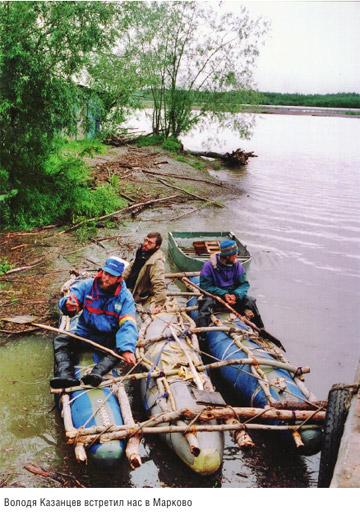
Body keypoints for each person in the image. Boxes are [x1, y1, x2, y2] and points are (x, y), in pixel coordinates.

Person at [50, 256, 138, 389]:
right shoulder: (88, 285)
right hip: (86, 333)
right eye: (105, 273)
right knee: (60, 340)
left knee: (120, 349)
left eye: (111, 276)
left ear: (119, 278)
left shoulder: (125, 297)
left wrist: (127, 349)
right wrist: (67, 304)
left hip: (108, 339)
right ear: (101, 272)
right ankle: (66, 375)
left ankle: (96, 374)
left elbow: (128, 324)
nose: (106, 278)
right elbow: (73, 297)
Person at [198, 239, 264, 330]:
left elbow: (244, 284)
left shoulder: (237, 266)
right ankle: (202, 335)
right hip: (216, 299)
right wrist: (223, 294)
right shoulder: (208, 266)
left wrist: (235, 295)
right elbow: (205, 287)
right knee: (205, 304)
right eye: (235, 254)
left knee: (250, 301)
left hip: (234, 299)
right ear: (228, 256)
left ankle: (261, 329)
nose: (237, 256)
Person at [123, 232, 166, 315]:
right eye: (146, 240)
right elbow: (130, 268)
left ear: (157, 246)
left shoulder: (156, 261)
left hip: (139, 294)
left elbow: (158, 282)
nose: (145, 244)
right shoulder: (142, 252)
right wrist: (119, 279)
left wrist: (159, 304)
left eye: (150, 243)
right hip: (130, 288)